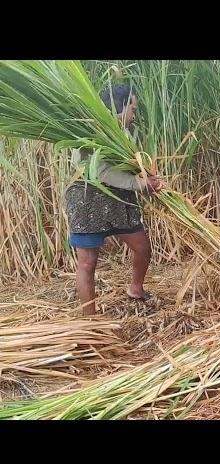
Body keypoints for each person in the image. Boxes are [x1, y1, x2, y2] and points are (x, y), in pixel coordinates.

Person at [64, 84, 163, 315]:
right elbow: (99, 171)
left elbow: (128, 166)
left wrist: (147, 177)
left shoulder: (124, 132)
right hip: (88, 201)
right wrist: (138, 184)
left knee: (142, 247)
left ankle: (136, 289)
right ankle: (91, 322)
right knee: (87, 262)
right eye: (133, 108)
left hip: (118, 200)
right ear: (120, 107)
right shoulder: (92, 131)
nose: (135, 115)